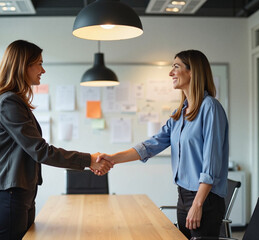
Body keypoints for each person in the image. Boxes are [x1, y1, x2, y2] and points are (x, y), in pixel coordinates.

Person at [0, 39, 113, 240]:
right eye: (39, 63)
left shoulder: (14, 101)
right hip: (7, 197)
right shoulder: (9, 102)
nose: (43, 70)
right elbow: (40, 151)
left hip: (17, 194)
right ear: (23, 66)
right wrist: (89, 159)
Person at [97, 50, 229, 239]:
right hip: (183, 196)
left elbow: (211, 162)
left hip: (203, 199)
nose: (170, 73)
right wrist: (113, 158)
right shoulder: (180, 113)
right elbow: (152, 145)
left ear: (193, 71)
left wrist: (198, 204)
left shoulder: (210, 108)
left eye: (176, 66)